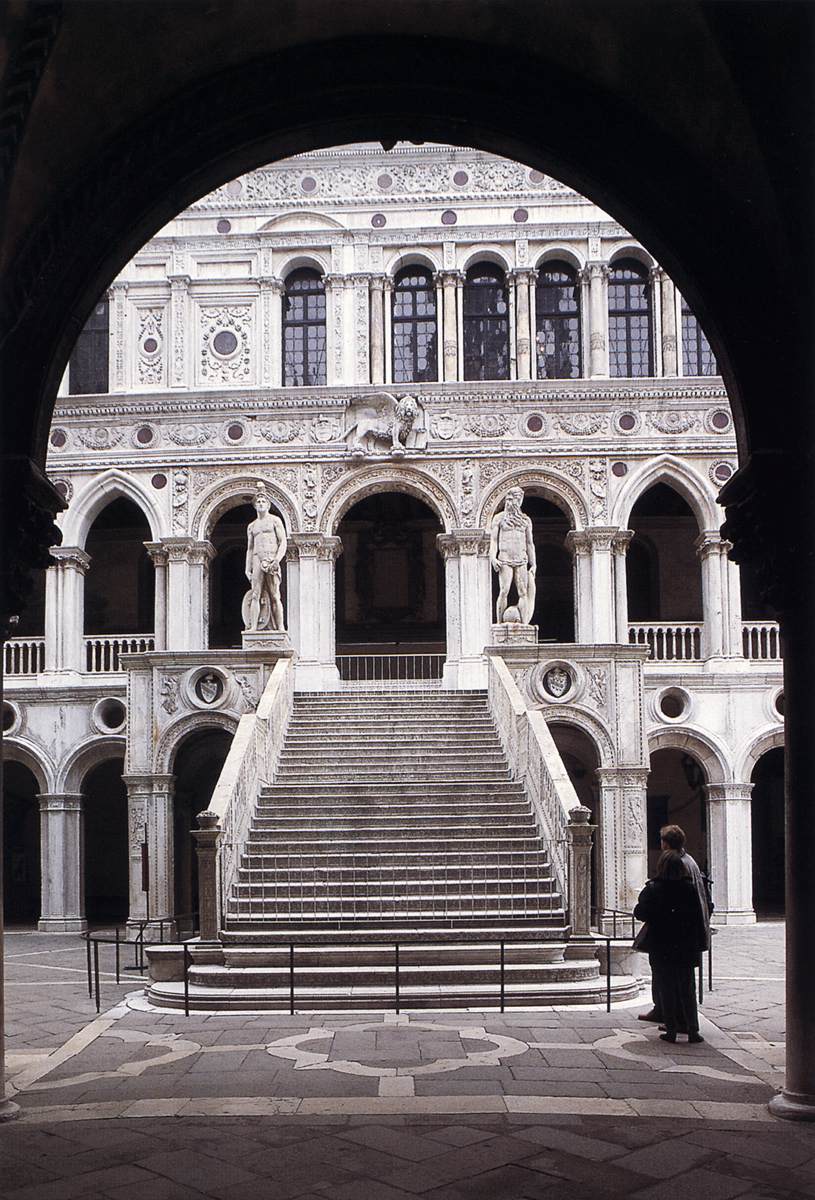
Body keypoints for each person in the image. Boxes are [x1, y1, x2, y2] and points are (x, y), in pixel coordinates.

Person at [638, 823, 712, 1027]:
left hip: (669, 938)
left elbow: (649, 909)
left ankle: (672, 1019)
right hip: (686, 937)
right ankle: (684, 1023)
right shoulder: (688, 861)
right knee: (683, 981)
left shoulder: (677, 864)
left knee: (670, 979)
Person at [489, 487, 536, 623]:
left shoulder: (526, 520)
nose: (513, 503)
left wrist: (534, 564)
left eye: (517, 500)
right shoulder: (499, 518)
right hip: (505, 559)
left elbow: (529, 543)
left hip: (521, 559)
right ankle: (499, 623)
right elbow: (494, 540)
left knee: (523, 592)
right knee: (504, 591)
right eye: (511, 499)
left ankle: (525, 623)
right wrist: (493, 557)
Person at [245, 487, 287, 631]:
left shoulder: (275, 521)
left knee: (275, 595)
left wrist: (277, 559)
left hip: (271, 557)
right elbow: (250, 548)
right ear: (255, 505)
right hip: (257, 558)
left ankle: (281, 627)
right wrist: (247, 568)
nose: (261, 503)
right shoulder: (252, 526)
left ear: (268, 505)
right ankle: (254, 627)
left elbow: (283, 542)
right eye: (259, 501)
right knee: (255, 594)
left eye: (263, 501)